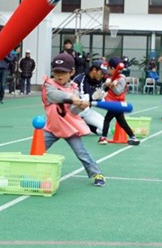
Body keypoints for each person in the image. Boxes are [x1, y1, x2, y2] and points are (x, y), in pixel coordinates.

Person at [41, 53, 106, 187]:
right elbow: (53, 96)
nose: (59, 76)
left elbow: (73, 111)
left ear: (72, 72)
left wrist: (81, 106)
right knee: (37, 149)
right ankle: (31, 172)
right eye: (56, 72)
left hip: (69, 128)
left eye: (63, 73)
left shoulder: (74, 89)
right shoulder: (49, 85)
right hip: (52, 127)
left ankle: (96, 174)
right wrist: (71, 98)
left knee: (81, 153)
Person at [98, 57, 140, 146]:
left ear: (113, 69)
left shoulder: (121, 78)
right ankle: (133, 137)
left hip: (117, 104)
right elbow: (105, 89)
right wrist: (107, 84)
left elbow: (118, 92)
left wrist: (112, 86)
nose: (107, 70)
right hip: (113, 103)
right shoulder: (111, 78)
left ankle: (103, 137)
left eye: (109, 68)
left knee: (107, 119)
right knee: (122, 122)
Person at [72, 60, 106, 135]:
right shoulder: (79, 79)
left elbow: (99, 100)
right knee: (80, 132)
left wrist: (100, 98)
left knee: (104, 129)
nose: (102, 75)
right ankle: (75, 124)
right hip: (75, 112)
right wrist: (92, 98)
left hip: (86, 112)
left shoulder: (99, 81)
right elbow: (82, 101)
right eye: (101, 73)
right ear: (94, 70)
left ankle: (85, 125)